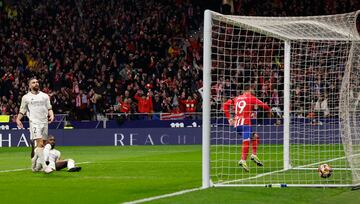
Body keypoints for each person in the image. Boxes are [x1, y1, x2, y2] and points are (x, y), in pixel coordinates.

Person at [223, 85, 272, 172]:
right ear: (248, 90)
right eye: (252, 89)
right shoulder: (251, 98)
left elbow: (225, 105)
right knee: (246, 141)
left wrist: (229, 118)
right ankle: (243, 160)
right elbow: (264, 105)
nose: (253, 91)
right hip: (245, 123)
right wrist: (269, 111)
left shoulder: (236, 98)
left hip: (237, 124)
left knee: (255, 137)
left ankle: (253, 155)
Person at [16, 77, 54, 158]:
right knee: (40, 143)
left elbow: (49, 107)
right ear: (29, 86)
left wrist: (52, 114)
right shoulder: (26, 97)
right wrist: (18, 119)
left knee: (42, 144)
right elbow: (22, 110)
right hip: (34, 122)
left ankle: (35, 161)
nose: (36, 83)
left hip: (44, 122)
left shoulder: (45, 96)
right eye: (33, 82)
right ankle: (43, 166)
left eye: (37, 82)